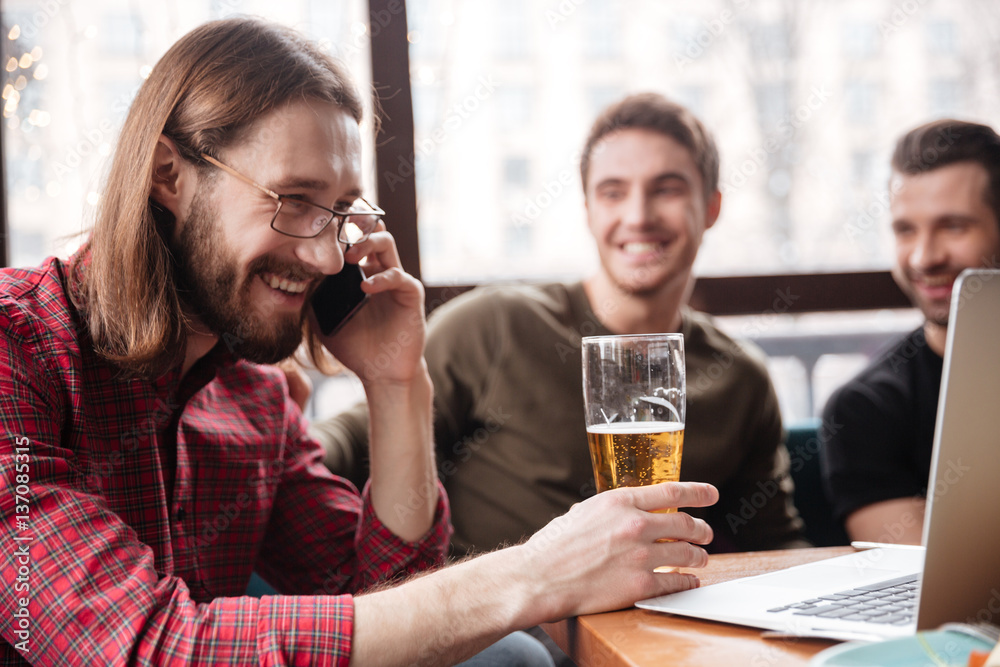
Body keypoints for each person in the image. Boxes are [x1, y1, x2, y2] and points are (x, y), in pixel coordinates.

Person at [0, 19, 722, 666]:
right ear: (169, 176)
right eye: (295, 202)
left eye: (339, 213)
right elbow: (151, 646)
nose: (322, 258)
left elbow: (388, 606)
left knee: (509, 656)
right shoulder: (14, 346)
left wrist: (397, 383)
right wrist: (533, 573)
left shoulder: (252, 398)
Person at [315, 93, 806, 557]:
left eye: (667, 189)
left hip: (651, 638)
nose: (638, 216)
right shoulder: (495, 327)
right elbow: (351, 441)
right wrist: (270, 440)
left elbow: (774, 546)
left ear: (712, 208)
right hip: (507, 637)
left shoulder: (739, 376)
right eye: (613, 193)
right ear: (589, 210)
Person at [821, 119, 1000, 545]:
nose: (924, 256)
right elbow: (926, 583)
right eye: (905, 230)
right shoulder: (864, 410)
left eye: (953, 226)